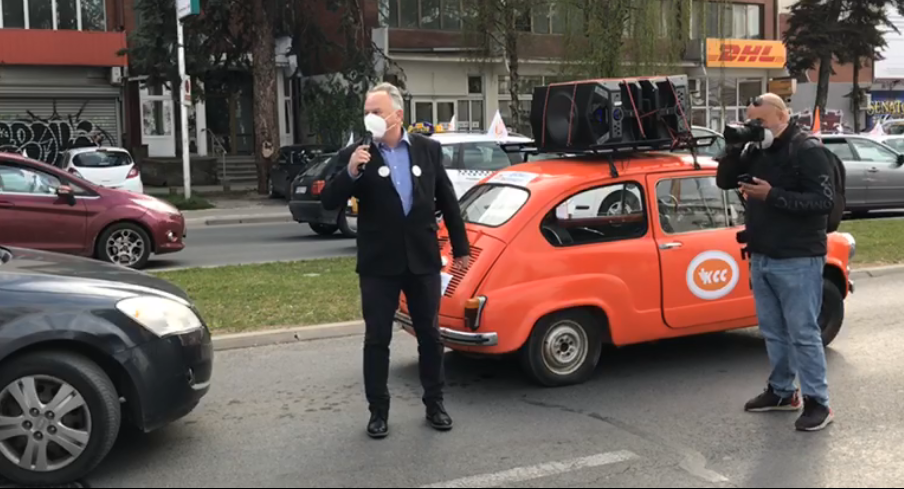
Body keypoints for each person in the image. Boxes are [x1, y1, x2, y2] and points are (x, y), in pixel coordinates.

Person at [320, 82, 471, 440]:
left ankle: (435, 403)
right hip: (379, 265)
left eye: (377, 111)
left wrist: (462, 249)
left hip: (422, 260)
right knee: (377, 339)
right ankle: (378, 411)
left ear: (397, 115)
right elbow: (328, 200)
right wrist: (351, 172)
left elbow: (448, 202)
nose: (370, 118)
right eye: (366, 112)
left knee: (430, 336)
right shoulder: (358, 154)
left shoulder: (427, 150)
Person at [715, 93, 837, 432]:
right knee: (772, 330)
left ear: (782, 117)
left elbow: (823, 201)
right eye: (750, 121)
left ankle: (818, 402)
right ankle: (782, 392)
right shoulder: (755, 150)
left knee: (803, 332)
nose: (755, 127)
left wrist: (772, 195)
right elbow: (724, 181)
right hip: (762, 253)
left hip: (799, 256)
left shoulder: (807, 150)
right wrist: (734, 147)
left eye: (760, 122)